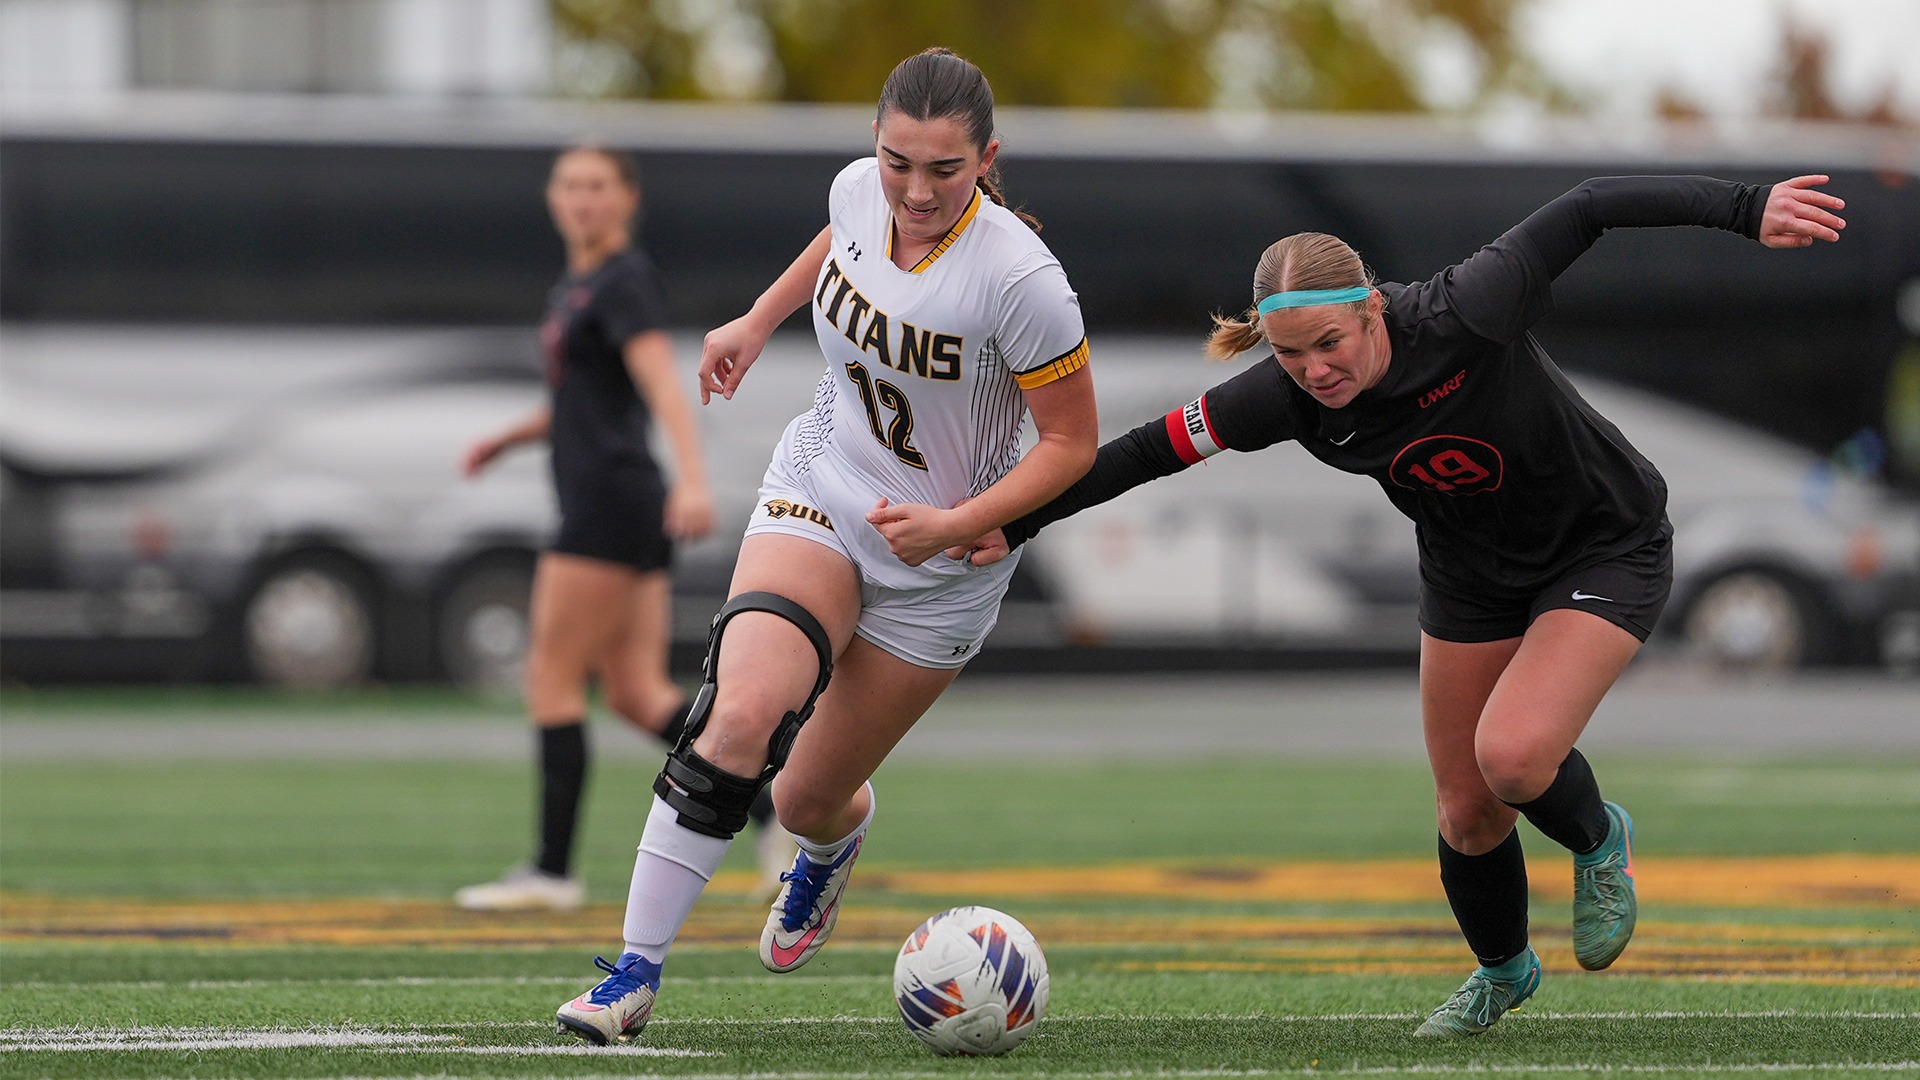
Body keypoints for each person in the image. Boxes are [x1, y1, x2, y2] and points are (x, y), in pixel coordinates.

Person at [945, 174, 1845, 1036]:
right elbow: (1143, 451)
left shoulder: (1469, 306)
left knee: (1514, 759)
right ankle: (1503, 974)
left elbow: (1591, 206)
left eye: (1330, 345)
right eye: (1290, 356)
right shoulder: (1287, 398)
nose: (1314, 372)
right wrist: (1016, 523)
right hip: (1467, 574)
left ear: (1373, 308)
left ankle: (1601, 837)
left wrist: (1747, 207)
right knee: (1466, 808)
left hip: (1603, 542)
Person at [551, 48, 1098, 1045]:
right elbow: (839, 241)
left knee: (807, 798)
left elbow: (1074, 443)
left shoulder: (1021, 277)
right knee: (741, 713)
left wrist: (961, 521)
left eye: (944, 169)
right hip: (823, 488)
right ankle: (631, 976)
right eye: (898, 162)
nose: (916, 190)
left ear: (987, 159)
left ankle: (829, 846)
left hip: (942, 568)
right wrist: (758, 320)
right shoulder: (858, 191)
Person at [456, 146, 793, 913]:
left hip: (608, 503)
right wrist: (510, 439)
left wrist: (695, 479)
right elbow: (585, 403)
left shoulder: (623, 281)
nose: (583, 199)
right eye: (571, 185)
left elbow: (657, 388)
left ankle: (551, 871)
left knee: (550, 677)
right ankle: (772, 810)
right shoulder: (574, 288)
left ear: (626, 199)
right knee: (640, 695)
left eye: (598, 186)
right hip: (620, 499)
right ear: (552, 197)